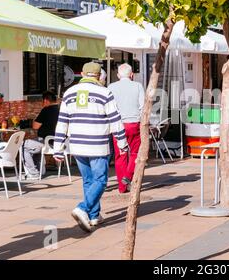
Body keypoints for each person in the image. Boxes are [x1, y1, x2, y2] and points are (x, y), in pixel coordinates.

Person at [53, 62, 128, 233]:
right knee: (100, 180)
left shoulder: (69, 93)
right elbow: (115, 121)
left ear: (82, 74)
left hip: (77, 145)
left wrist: (58, 147)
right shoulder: (104, 92)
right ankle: (83, 208)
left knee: (88, 181)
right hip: (97, 144)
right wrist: (122, 143)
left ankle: (94, 215)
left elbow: (62, 122)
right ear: (98, 76)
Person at [108, 63, 144, 193]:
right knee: (134, 153)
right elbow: (142, 107)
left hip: (117, 125)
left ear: (118, 75)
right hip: (134, 124)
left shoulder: (111, 87)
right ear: (132, 74)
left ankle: (122, 187)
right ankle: (128, 176)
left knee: (120, 155)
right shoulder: (138, 86)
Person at [22, 91, 59, 179]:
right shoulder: (59, 109)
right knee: (34, 145)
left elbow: (35, 126)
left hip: (46, 142)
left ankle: (33, 173)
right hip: (57, 142)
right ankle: (40, 170)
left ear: (45, 101)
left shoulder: (46, 110)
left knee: (23, 145)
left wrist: (37, 117)